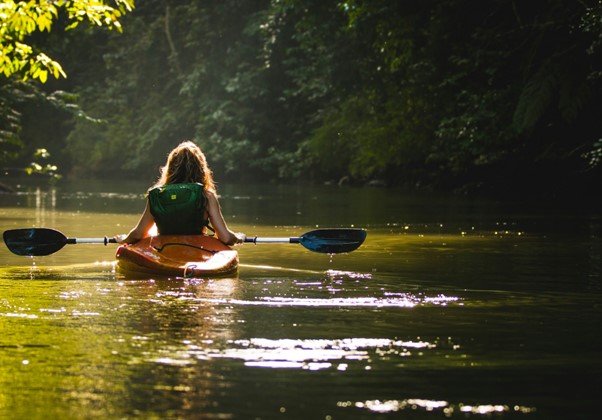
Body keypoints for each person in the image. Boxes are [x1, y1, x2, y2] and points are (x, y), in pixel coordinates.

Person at [115, 141, 245, 246]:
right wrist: (238, 237)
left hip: (164, 249)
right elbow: (226, 238)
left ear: (170, 168)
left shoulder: (157, 195)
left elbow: (138, 234)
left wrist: (125, 239)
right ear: (201, 169)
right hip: (197, 249)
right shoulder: (207, 196)